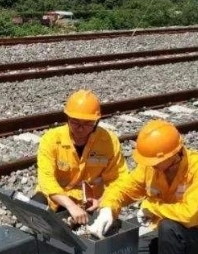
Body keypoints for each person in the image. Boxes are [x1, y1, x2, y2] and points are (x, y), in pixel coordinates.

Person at [87, 119, 198, 254]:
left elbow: (190, 216)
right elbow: (124, 188)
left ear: (172, 155)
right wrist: (108, 209)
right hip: (171, 237)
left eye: (154, 162)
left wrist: (152, 207)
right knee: (132, 248)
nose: (150, 165)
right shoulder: (151, 167)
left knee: (168, 227)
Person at [33, 89, 129, 226]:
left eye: (87, 124)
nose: (80, 128)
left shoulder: (108, 141)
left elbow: (119, 179)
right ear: (67, 118)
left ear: (97, 121)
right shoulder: (51, 139)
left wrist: (104, 201)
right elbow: (46, 180)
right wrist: (70, 206)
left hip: (89, 202)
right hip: (56, 198)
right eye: (75, 122)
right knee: (35, 212)